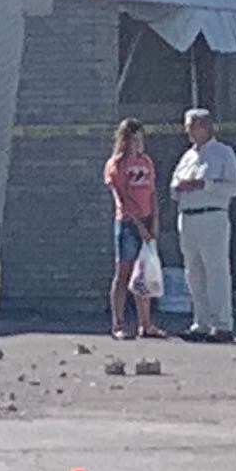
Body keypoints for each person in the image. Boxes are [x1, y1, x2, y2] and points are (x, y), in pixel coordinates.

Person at [167, 106, 236, 341]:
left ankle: (223, 324)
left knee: (215, 270)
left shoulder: (223, 153)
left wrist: (204, 185)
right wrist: (179, 188)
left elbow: (234, 187)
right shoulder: (187, 155)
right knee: (194, 271)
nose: (187, 132)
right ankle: (201, 323)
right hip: (187, 216)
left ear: (205, 127)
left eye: (191, 127)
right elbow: (173, 186)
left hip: (212, 216)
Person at [102, 117, 164, 338]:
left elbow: (152, 192)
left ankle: (145, 324)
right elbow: (123, 197)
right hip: (128, 223)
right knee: (124, 272)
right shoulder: (116, 165)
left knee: (144, 273)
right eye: (132, 139)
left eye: (139, 139)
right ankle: (118, 324)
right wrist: (139, 225)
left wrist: (154, 222)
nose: (136, 144)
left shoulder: (146, 162)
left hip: (147, 221)